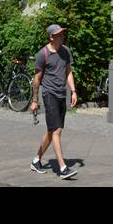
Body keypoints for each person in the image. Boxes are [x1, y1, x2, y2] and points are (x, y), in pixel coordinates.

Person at [29, 23, 78, 179]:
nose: (62, 37)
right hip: (49, 94)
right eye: (59, 35)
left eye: (63, 34)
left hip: (61, 94)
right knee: (56, 130)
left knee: (52, 131)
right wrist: (35, 100)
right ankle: (63, 168)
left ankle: (36, 160)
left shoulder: (66, 51)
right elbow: (36, 79)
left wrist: (74, 91)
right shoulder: (42, 54)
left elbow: (68, 72)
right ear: (51, 37)